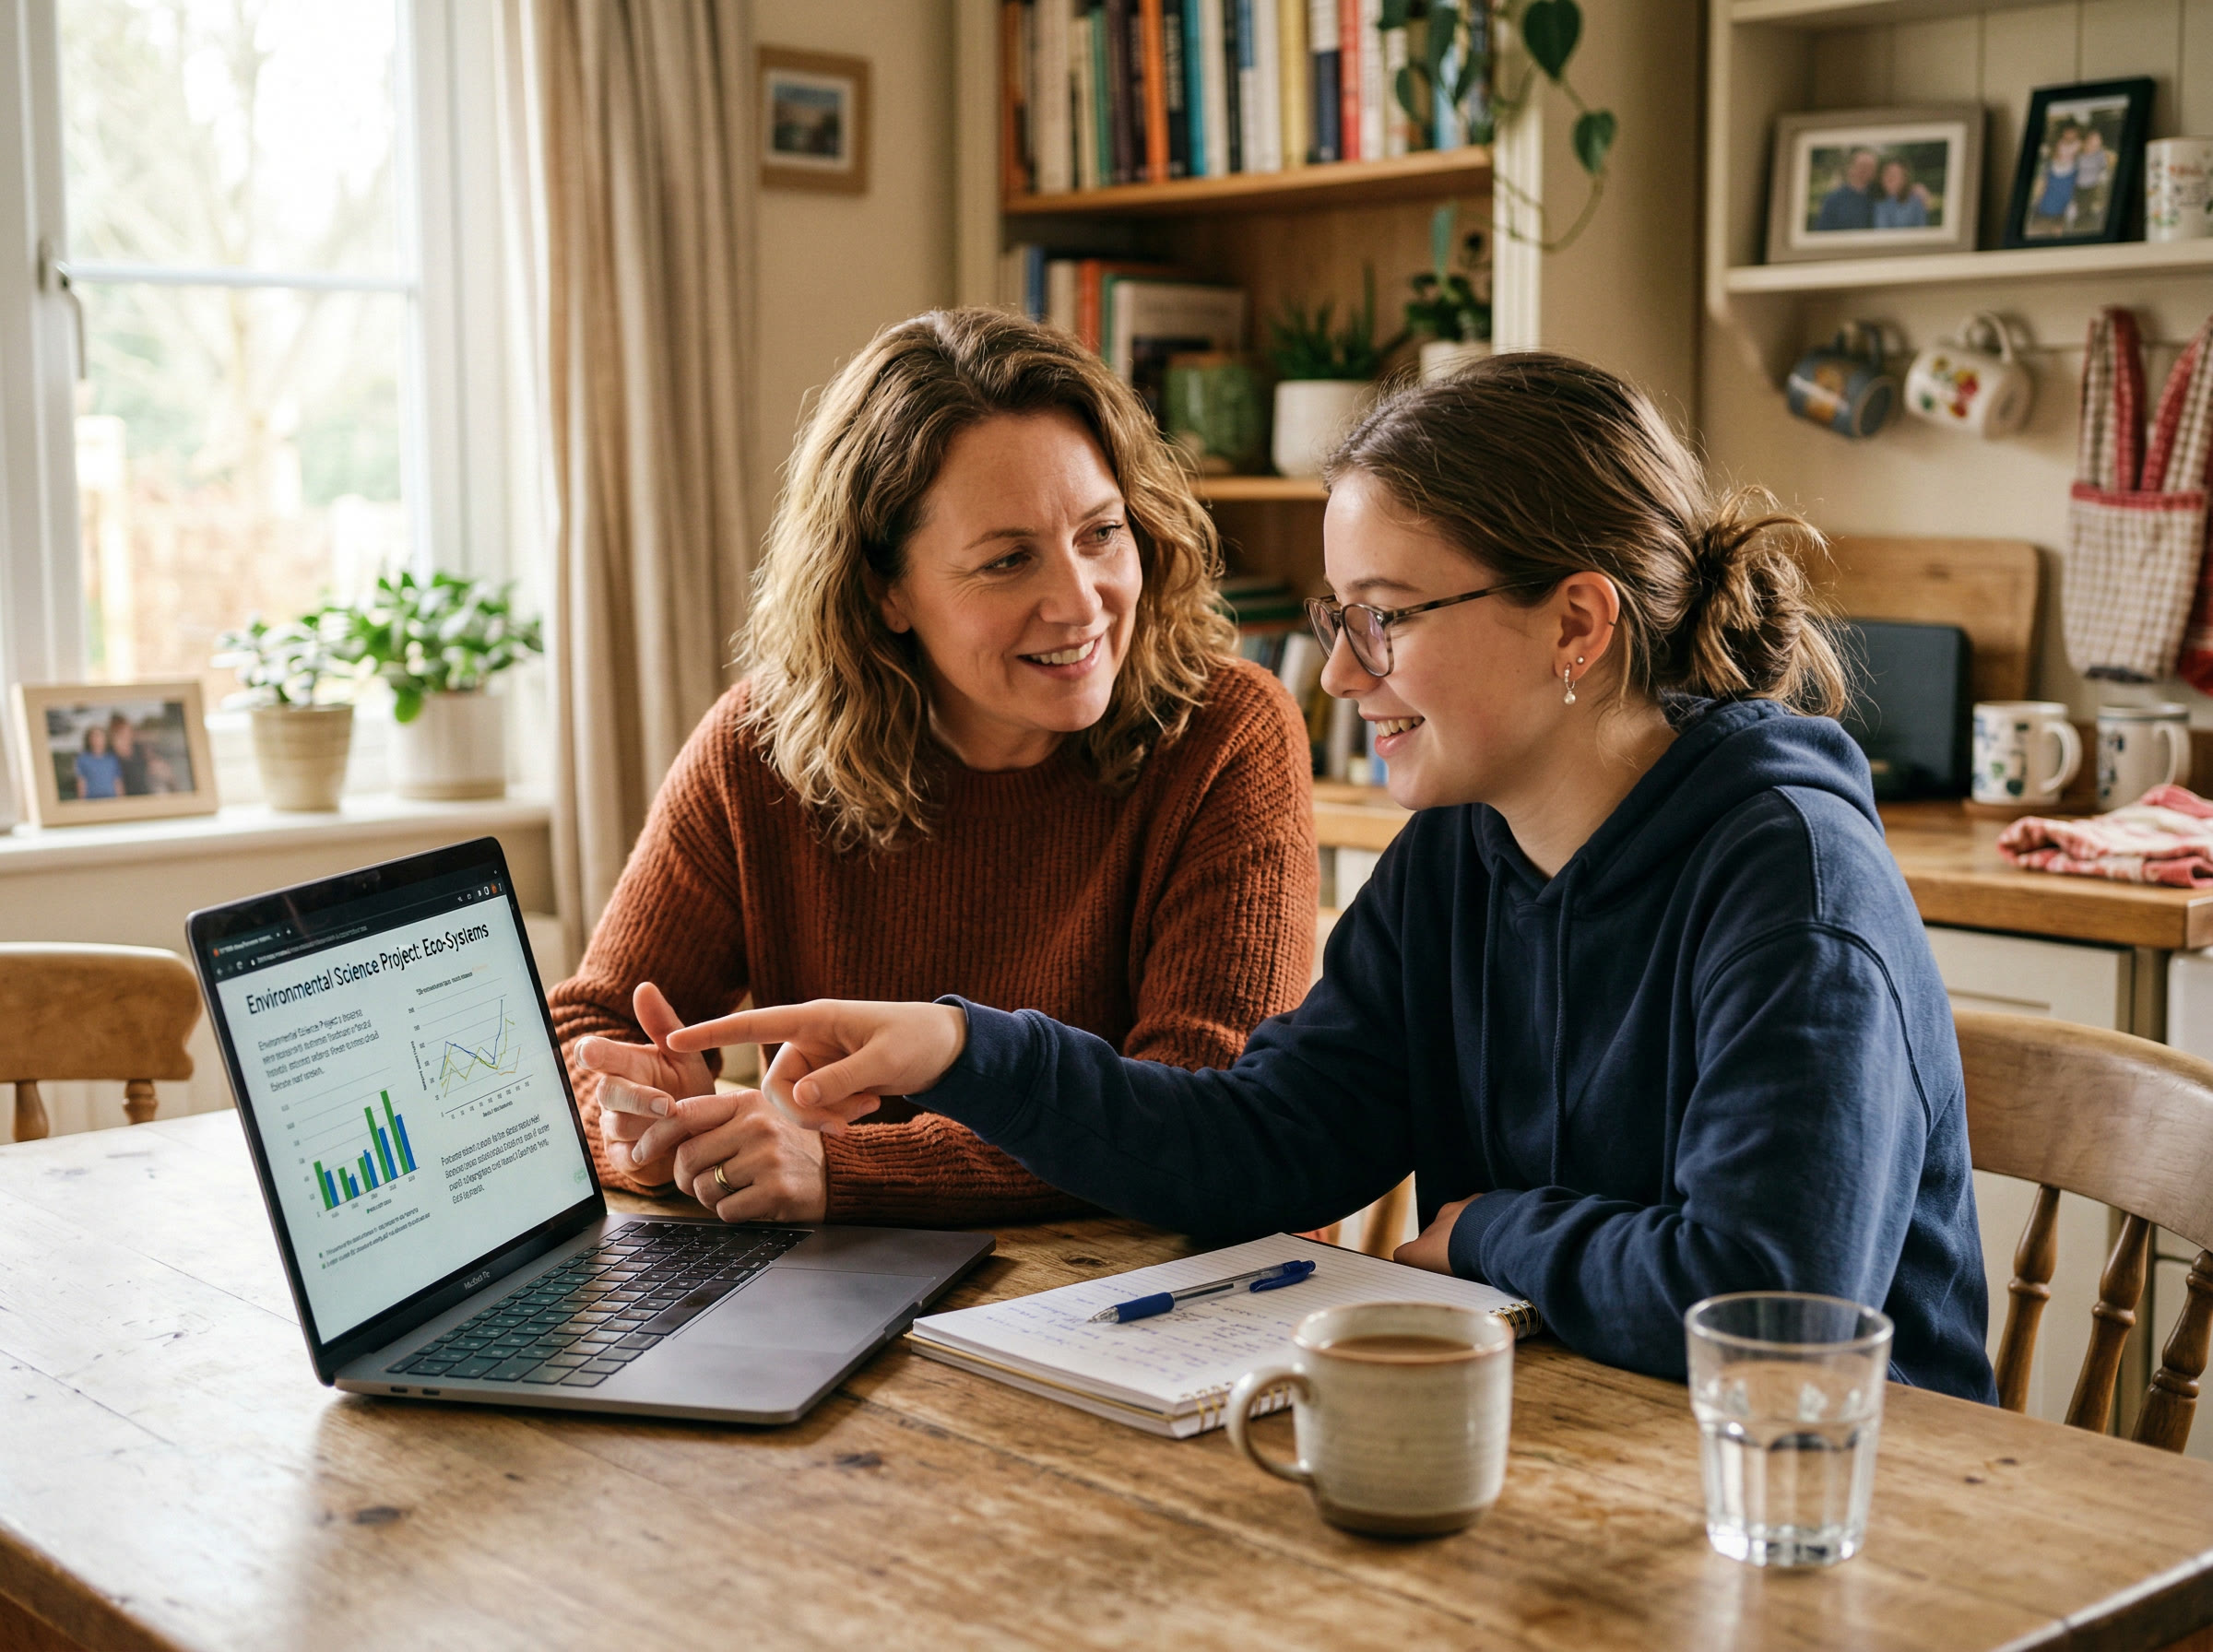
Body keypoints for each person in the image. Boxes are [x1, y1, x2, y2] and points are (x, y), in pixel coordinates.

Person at [651, 354, 2001, 1402]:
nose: (1345, 677)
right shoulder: (1458, 860)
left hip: (1858, 1528)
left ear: (1576, 624)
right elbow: (1259, 1148)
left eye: (1386, 619)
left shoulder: (1791, 886)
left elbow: (1772, 1307)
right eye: (1336, 620)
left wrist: (1488, 1234)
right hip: (1589, 1460)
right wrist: (961, 1048)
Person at [555, 306, 1318, 1226]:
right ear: (886, 591)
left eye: (1101, 533)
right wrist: (635, 1114)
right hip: (866, 1302)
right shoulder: (764, 747)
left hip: (1157, 1313)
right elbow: (587, 1029)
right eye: (1007, 561)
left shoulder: (1227, 731)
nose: (1080, 603)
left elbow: (1198, 1111)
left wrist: (842, 1167)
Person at [1814, 147, 1879, 231]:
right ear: (1851, 169)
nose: (1866, 170)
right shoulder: (1833, 200)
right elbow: (1822, 233)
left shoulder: (1879, 198)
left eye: (1871, 167)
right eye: (1862, 166)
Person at [2034, 124, 2083, 227]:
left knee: (2065, 193)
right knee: (2050, 191)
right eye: (2067, 132)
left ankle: (2060, 218)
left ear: (2076, 133)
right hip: (2056, 169)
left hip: (2069, 172)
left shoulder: (2079, 144)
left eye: (2072, 132)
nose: (2069, 134)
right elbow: (2054, 156)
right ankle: (2047, 215)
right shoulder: (2059, 143)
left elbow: (2079, 159)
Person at [1872, 158, 1930, 230]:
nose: (1890, 177)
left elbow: (1922, 230)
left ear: (1905, 179)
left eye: (1895, 174)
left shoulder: (1916, 202)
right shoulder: (1877, 203)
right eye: (1887, 173)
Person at [71, 725, 121, 799]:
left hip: (111, 800)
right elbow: (81, 782)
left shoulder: (112, 759)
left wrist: (121, 801)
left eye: (99, 736)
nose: (96, 739)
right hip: (92, 801)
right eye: (94, 736)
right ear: (89, 739)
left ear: (105, 739)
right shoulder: (82, 759)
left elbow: (117, 781)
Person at [108, 714, 150, 796]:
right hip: (127, 801)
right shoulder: (110, 755)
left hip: (146, 797)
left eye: (129, 730)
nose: (128, 734)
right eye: (121, 733)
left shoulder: (138, 748)